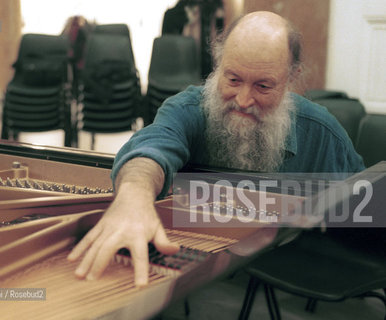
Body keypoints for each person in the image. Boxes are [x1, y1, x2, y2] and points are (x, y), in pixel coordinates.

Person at [67, 11, 364, 287]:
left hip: (288, 278)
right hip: (199, 281)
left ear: (290, 78)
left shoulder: (323, 131)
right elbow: (151, 147)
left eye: (263, 86)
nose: (244, 100)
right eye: (233, 79)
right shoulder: (187, 109)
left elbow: (366, 206)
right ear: (218, 66)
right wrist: (134, 194)